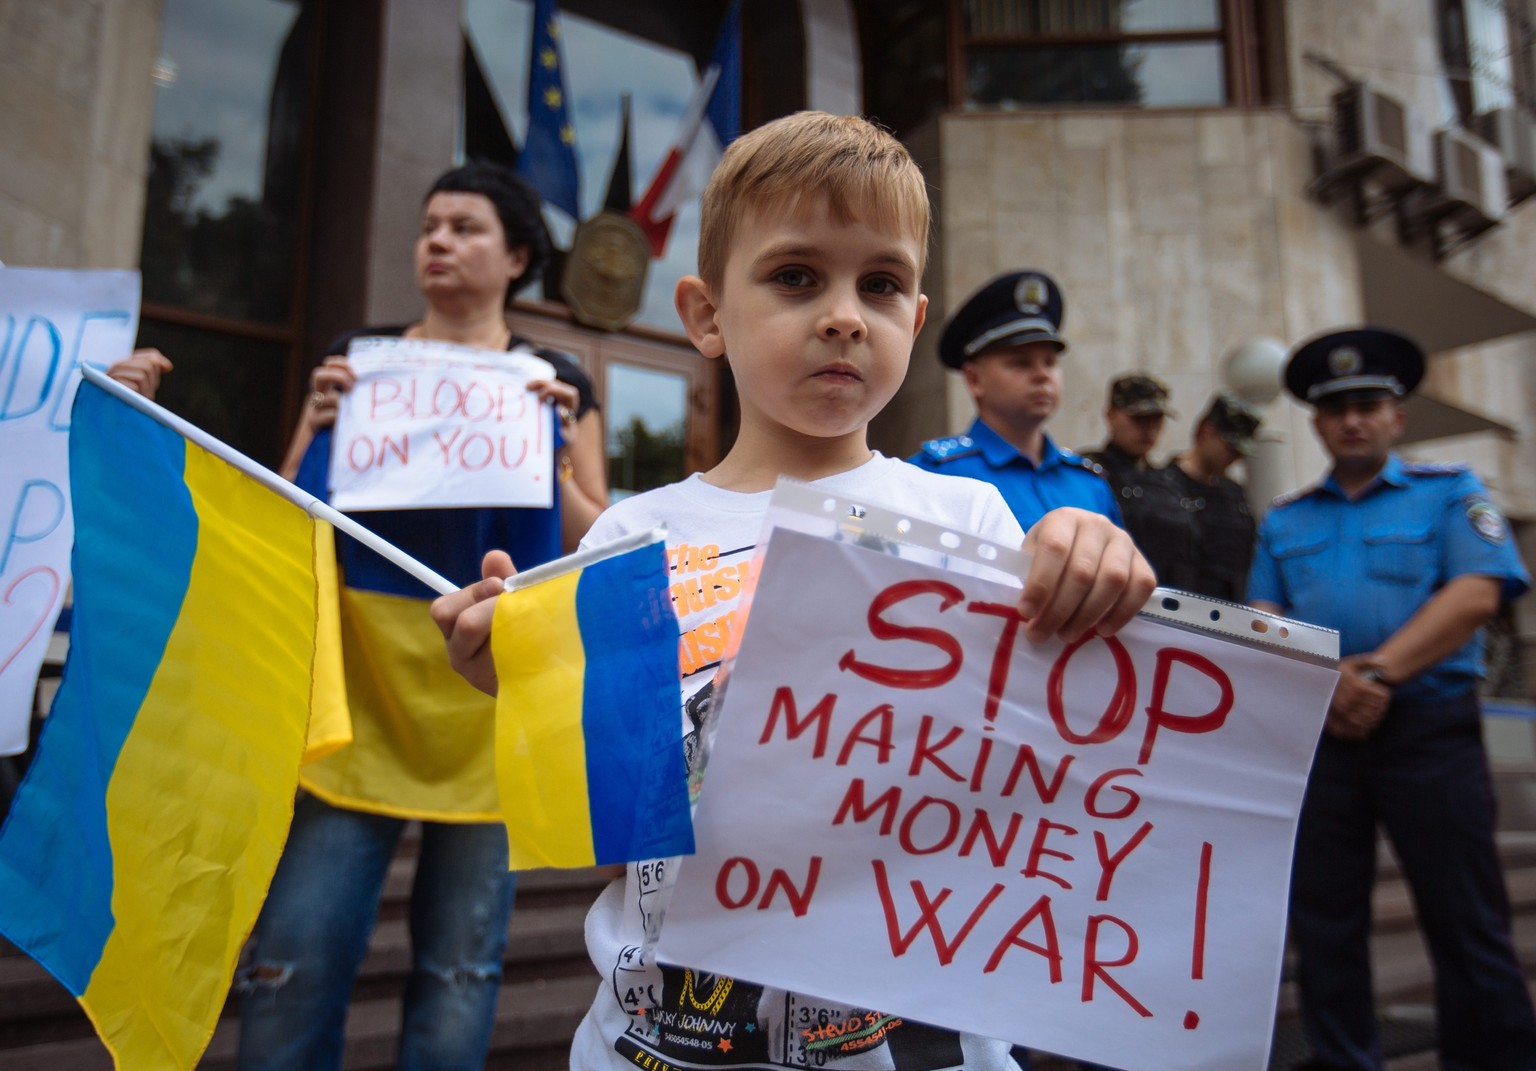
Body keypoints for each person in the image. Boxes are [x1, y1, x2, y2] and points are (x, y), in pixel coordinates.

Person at [433, 112, 1156, 1071]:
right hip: (657, 1040)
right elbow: (616, 813)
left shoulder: (973, 524)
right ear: (705, 317)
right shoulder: (629, 538)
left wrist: (1091, 564)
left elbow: (1047, 770)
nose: (846, 314)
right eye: (796, 277)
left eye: (883, 284)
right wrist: (515, 683)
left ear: (915, 320)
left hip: (920, 1039)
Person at [236, 162, 607, 1071]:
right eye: (430, 225)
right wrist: (317, 424)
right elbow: (286, 515)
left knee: (460, 969)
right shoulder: (357, 361)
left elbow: (599, 540)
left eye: (466, 227)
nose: (437, 240)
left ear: (518, 256)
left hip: (487, 698)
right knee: (294, 957)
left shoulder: (555, 381)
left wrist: (553, 456)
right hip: (358, 699)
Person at [1248, 327, 1536, 1071]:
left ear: (1396, 417)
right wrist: (1331, 683)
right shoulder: (1286, 518)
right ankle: (1346, 1061)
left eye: (1369, 404)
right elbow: (1263, 619)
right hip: (1322, 732)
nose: (1353, 418)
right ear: (1316, 422)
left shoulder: (1452, 494)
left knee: (1467, 919)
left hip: (1429, 731)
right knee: (1326, 923)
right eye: (1337, 406)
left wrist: (1373, 675)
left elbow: (1476, 592)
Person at [908, 270, 1120, 530]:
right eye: (1020, 363)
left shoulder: (1089, 483)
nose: (1043, 375)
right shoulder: (932, 476)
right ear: (974, 380)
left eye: (1050, 362)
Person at [1080, 374, 1193, 577]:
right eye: (1139, 418)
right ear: (1110, 415)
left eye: (1156, 419)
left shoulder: (1169, 481)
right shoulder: (1088, 472)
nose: (1148, 429)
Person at [1156, 392, 1261, 601]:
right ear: (1207, 432)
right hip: (1181, 610)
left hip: (1232, 612)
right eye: (1231, 448)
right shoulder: (1163, 486)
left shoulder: (1234, 494)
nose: (1236, 458)